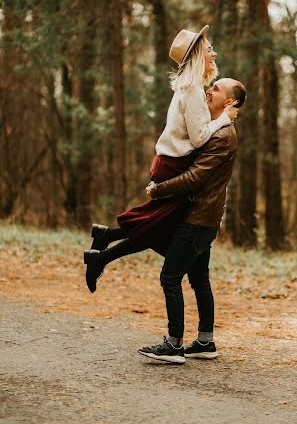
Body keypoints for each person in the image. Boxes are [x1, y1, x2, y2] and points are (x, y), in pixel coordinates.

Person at [84, 25, 238, 292]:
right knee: (158, 227)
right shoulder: (191, 91)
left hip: (171, 162)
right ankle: (103, 250)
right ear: (198, 56)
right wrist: (224, 119)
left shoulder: (195, 89)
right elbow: (200, 138)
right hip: (172, 166)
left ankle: (105, 240)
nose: (214, 53)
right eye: (209, 49)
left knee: (157, 224)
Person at [138, 77, 246, 364]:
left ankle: (173, 345)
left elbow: (196, 176)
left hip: (198, 218)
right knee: (199, 280)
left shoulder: (223, 136)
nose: (209, 89)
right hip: (204, 216)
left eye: (217, 89)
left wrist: (159, 189)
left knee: (170, 277)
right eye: (211, 86)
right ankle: (205, 342)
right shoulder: (215, 129)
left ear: (230, 102)